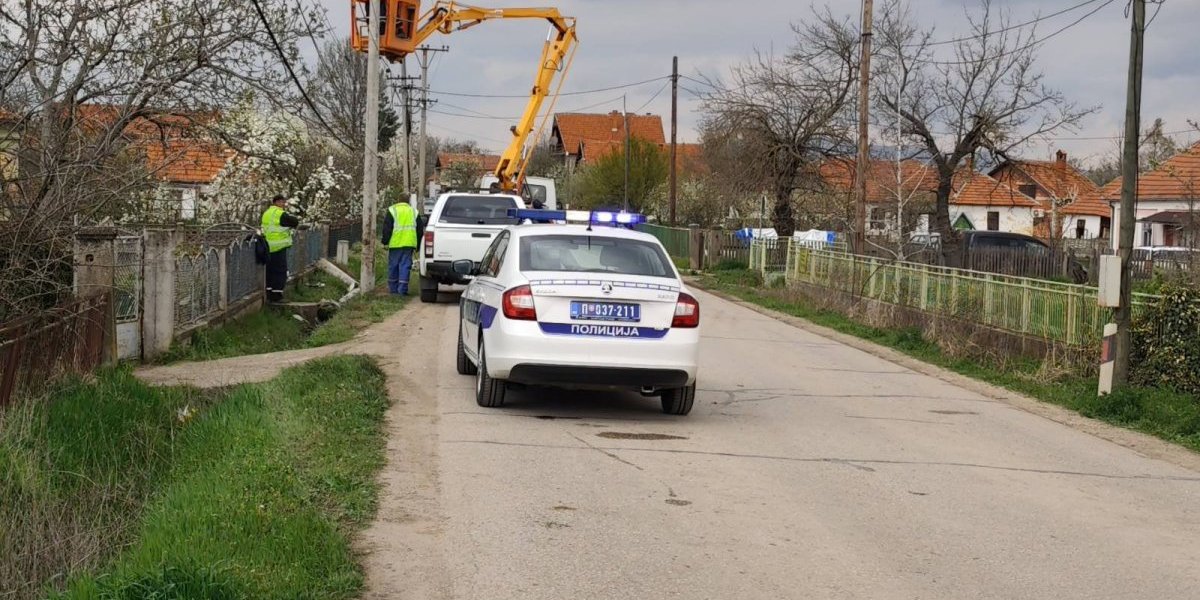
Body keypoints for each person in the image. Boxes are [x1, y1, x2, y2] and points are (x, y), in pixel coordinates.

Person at [261, 194, 300, 303]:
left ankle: (269, 293)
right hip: (278, 247)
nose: (284, 204)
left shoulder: (266, 213)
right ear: (277, 202)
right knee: (280, 271)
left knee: (269, 271)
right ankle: (277, 295)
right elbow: (294, 222)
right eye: (282, 202)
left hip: (267, 246)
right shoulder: (279, 214)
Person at [380, 197, 419, 295]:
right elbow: (419, 230)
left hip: (395, 244)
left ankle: (393, 289)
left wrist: (385, 241)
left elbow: (387, 228)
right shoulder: (414, 212)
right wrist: (418, 245)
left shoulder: (392, 210)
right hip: (408, 244)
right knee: (405, 266)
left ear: (397, 201)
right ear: (408, 201)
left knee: (393, 266)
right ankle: (402, 290)